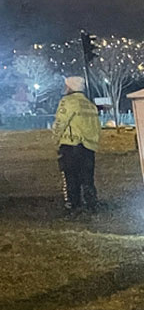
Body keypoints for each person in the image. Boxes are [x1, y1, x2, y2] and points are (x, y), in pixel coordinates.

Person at [51, 76, 101, 216]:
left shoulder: (67, 102)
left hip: (71, 146)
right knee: (87, 178)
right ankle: (91, 206)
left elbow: (61, 122)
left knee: (70, 177)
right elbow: (97, 127)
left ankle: (73, 206)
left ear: (70, 87)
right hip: (88, 147)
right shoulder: (89, 105)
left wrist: (56, 139)